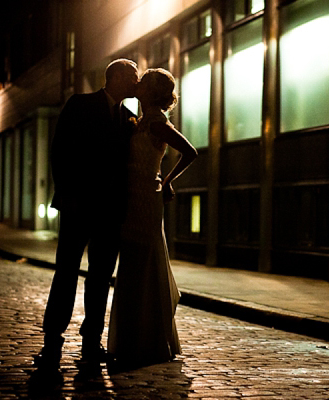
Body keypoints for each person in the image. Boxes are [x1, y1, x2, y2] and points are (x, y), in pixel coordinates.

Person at [34, 59, 139, 374]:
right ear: (117, 76)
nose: (137, 83)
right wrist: (66, 193)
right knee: (65, 272)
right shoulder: (80, 104)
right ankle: (52, 341)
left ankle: (91, 342)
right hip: (78, 206)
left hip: (110, 212)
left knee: (100, 279)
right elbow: (60, 150)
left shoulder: (130, 118)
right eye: (134, 77)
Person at [107, 68, 197, 367]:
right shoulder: (141, 118)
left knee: (141, 264)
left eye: (143, 81)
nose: (138, 84)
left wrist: (167, 180)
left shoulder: (157, 121)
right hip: (131, 197)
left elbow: (189, 151)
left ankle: (145, 341)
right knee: (131, 266)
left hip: (146, 197)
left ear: (152, 90)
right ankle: (133, 338)